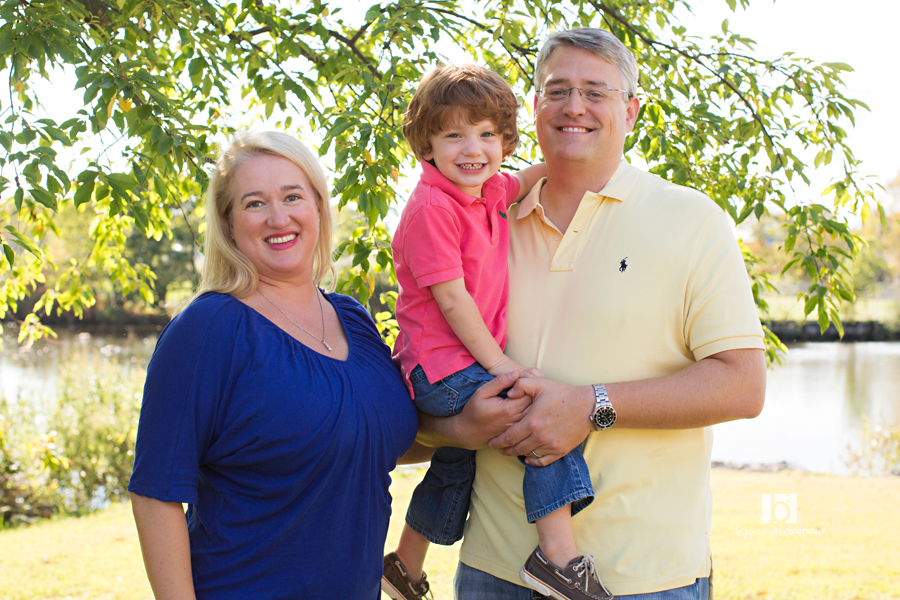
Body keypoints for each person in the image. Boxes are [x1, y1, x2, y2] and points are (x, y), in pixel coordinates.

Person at [418, 28, 768, 599]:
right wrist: (458, 428)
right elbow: (426, 392)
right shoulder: (476, 225)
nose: (574, 106)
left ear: (631, 111)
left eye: (595, 92)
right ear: (534, 107)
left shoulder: (693, 220)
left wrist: (592, 405)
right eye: (557, 90)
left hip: (645, 579)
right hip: (492, 572)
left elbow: (743, 386)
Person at [127, 130, 424, 599]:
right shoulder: (208, 328)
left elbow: (362, 440)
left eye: (292, 196)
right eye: (254, 203)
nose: (278, 217)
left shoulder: (353, 318)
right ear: (228, 223)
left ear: (319, 206)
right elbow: (155, 493)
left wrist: (476, 428)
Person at [383, 64, 608, 600]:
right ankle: (559, 558)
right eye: (454, 135)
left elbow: (527, 178)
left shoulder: (487, 190)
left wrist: (579, 162)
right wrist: (502, 365)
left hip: (459, 364)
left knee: (455, 460)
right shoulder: (433, 208)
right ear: (427, 143)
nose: (473, 149)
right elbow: (453, 300)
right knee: (539, 416)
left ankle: (404, 565)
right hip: (441, 367)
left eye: (487, 134)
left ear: (504, 141)